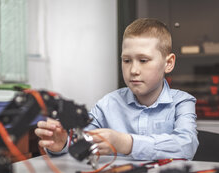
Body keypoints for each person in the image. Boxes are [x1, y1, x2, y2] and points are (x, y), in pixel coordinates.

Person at [35, 18, 198, 160]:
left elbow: (186, 146)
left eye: (143, 60)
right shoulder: (108, 104)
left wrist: (126, 143)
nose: (133, 70)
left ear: (168, 63)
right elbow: (82, 142)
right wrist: (62, 143)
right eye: (127, 60)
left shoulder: (182, 102)